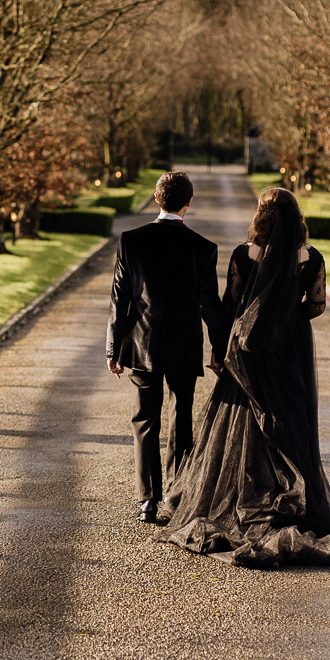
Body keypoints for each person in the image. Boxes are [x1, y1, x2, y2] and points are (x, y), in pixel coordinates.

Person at [164, 187, 330, 568]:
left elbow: (232, 306)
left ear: (261, 217)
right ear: (296, 217)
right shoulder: (310, 258)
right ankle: (291, 500)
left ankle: (242, 494)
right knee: (289, 420)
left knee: (241, 424)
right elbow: (315, 306)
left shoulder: (242, 255)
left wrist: (226, 344)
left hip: (248, 351)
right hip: (290, 349)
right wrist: (286, 316)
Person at [107, 171, 226, 524]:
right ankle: (177, 494)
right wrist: (219, 349)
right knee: (181, 420)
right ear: (188, 203)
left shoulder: (131, 240)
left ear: (157, 199)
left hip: (143, 344)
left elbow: (120, 299)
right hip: (185, 346)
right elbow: (210, 304)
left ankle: (147, 500)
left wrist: (113, 348)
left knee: (144, 420)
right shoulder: (204, 248)